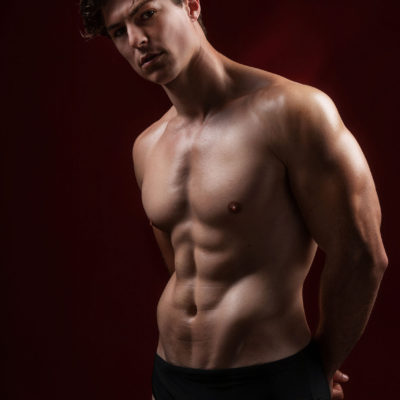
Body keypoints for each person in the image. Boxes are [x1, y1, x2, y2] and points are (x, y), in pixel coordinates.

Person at [79, 1, 388, 399]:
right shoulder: (147, 147)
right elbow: (184, 266)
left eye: (146, 14)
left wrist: (319, 370)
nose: (137, 39)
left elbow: (362, 255)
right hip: (171, 376)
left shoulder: (292, 112)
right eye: (119, 31)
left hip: (269, 381)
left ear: (191, 5)